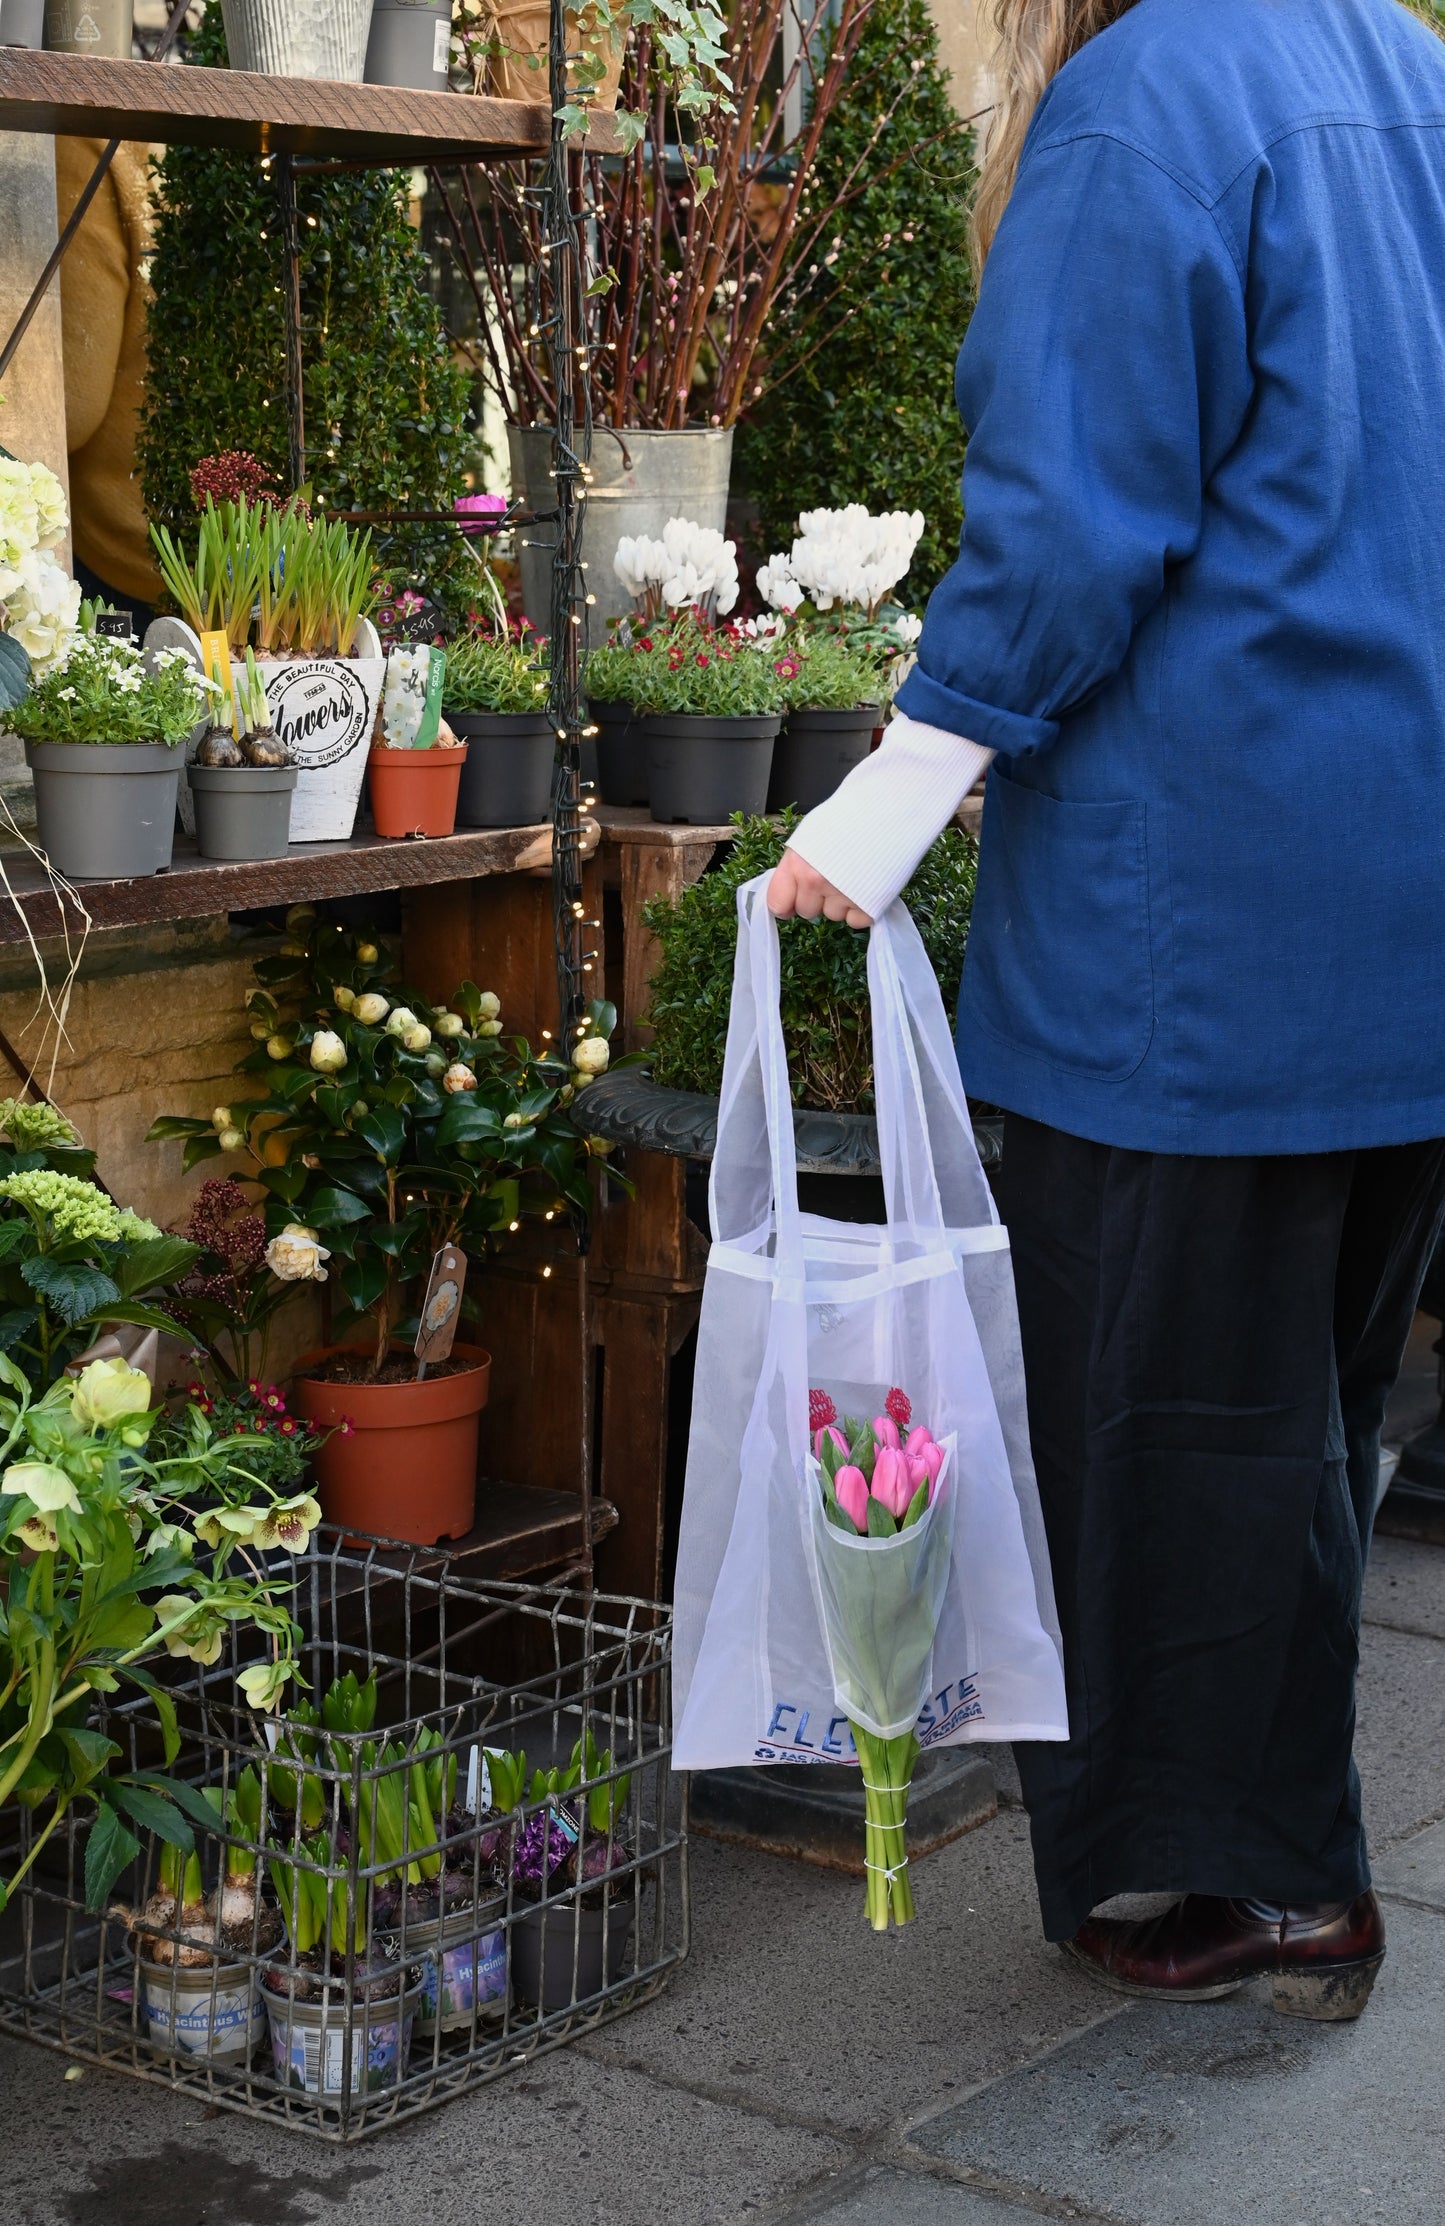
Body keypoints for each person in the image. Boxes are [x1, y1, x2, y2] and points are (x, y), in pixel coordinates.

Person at [769, 0, 1445, 2022]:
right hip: (1394, 893)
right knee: (1312, 1416)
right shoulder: (1416, 76)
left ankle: (1247, 1870)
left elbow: (1073, 522)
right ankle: (1290, 1843)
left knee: (1173, 1423)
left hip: (1204, 921)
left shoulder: (1148, 98)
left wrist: (883, 811)